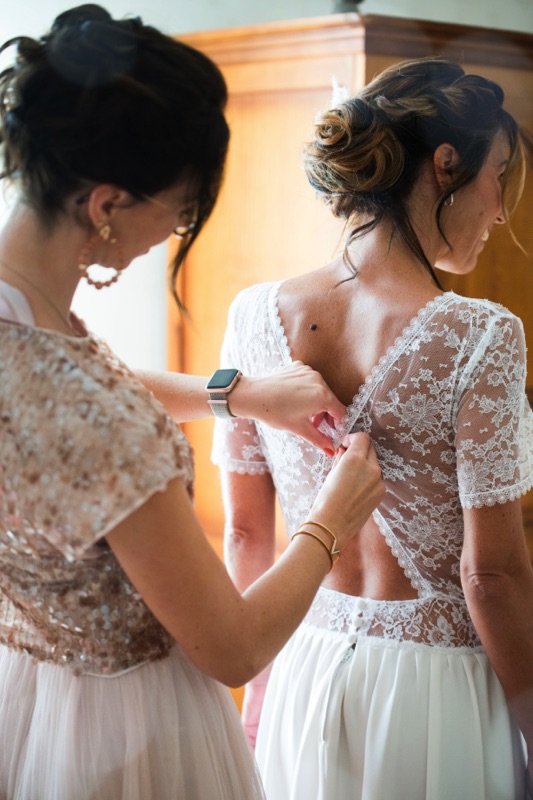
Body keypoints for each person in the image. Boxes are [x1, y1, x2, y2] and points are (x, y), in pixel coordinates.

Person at [0, 6, 385, 799]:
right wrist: (331, 521)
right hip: (124, 736)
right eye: (177, 209)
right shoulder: (89, 419)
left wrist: (236, 394)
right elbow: (234, 646)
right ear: (106, 204)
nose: (172, 231)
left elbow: (57, 400)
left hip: (29, 690)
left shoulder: (19, 315)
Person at [213, 56, 533, 799]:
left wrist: (259, 687)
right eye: (498, 177)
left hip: (301, 665)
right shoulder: (481, 334)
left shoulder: (252, 314)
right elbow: (490, 575)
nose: (499, 211)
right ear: (445, 165)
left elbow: (244, 538)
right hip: (439, 695)